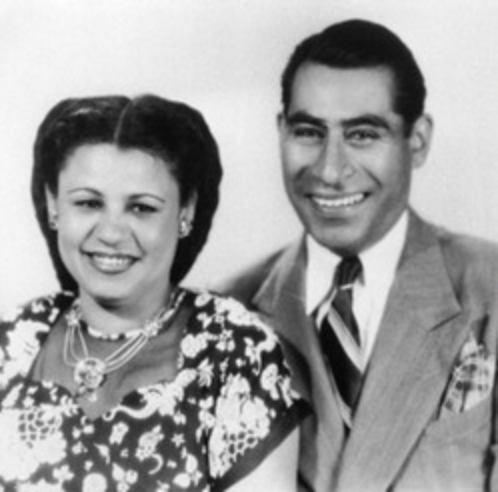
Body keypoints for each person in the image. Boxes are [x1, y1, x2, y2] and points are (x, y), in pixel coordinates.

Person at [221, 19, 498, 492]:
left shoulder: (489, 286)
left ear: (418, 141)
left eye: (363, 134)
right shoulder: (226, 314)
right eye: (308, 132)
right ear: (280, 132)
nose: (330, 171)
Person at [0, 94, 307, 491]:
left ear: (186, 211)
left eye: (142, 208)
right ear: (53, 204)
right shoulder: (12, 340)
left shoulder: (235, 352)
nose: (111, 233)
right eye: (89, 203)